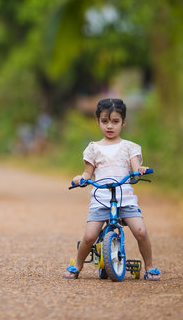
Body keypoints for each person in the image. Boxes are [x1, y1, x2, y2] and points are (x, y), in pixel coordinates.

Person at [62, 98, 161, 281]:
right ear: (98, 121)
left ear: (123, 122)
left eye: (115, 121)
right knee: (90, 236)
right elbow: (87, 173)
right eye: (105, 121)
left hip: (125, 199)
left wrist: (139, 170)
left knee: (141, 231)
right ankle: (77, 265)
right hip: (101, 199)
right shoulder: (93, 148)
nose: (110, 126)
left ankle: (150, 266)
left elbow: (134, 167)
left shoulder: (129, 147)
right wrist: (81, 179)